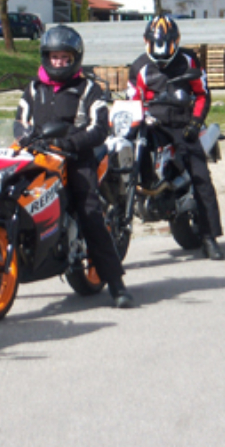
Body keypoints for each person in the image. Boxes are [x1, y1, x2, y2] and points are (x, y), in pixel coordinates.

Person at [16, 25, 133, 308]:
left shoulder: (88, 88)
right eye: (53, 56)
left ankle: (116, 284)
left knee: (89, 211)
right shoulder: (33, 88)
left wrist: (71, 144)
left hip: (77, 158)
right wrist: (24, 137)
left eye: (64, 57)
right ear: (46, 57)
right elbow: (20, 122)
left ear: (74, 59)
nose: (58, 62)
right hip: (39, 155)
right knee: (15, 192)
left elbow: (99, 129)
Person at [128, 15, 225, 260]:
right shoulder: (139, 66)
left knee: (200, 175)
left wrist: (195, 122)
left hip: (183, 124)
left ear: (176, 41)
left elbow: (203, 94)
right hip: (151, 124)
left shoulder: (189, 60)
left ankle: (209, 237)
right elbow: (132, 101)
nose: (160, 51)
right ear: (146, 41)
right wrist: (135, 119)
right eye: (155, 43)